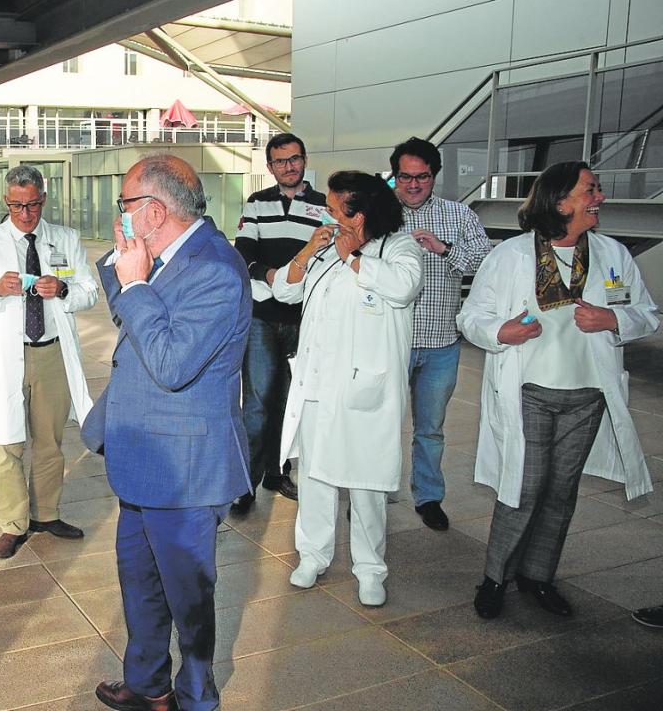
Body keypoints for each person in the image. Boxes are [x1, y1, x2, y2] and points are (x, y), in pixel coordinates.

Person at [83, 155, 252, 711]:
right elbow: (125, 311)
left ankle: (196, 697)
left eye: (126, 206)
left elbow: (172, 362)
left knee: (189, 599)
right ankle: (148, 683)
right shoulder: (158, 253)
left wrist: (135, 287)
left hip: (183, 471)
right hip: (141, 457)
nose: (121, 217)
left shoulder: (215, 270)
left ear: (153, 211)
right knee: (140, 588)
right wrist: (128, 271)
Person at [457, 161, 658, 620]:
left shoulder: (612, 254)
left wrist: (613, 320)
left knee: (561, 492)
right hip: (528, 392)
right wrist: (500, 331)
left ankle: (538, 576)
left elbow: (646, 312)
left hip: (587, 395)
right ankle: (495, 578)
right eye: (591, 190)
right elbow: (471, 317)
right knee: (523, 490)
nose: (600, 197)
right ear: (560, 200)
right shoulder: (510, 256)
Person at [274, 172, 423, 607]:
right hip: (318, 383)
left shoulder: (399, 247)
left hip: (364, 391)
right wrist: (309, 250)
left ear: (361, 214)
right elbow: (284, 290)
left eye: (336, 209)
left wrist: (355, 256)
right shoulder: (325, 249)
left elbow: (403, 287)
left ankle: (371, 568)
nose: (328, 214)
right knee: (314, 476)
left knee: (366, 484)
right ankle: (312, 555)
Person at [0, 164, 99, 559]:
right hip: (6, 354)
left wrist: (64, 288)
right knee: (7, 442)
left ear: (44, 199)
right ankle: (13, 524)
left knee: (50, 441)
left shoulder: (65, 239)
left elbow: (90, 293)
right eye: (17, 206)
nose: (25, 214)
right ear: (5, 201)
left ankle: (47, 513)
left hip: (51, 351)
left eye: (33, 205)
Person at [391, 137, 491, 531]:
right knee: (380, 424)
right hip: (390, 342)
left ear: (435, 176)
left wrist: (444, 248)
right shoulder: (379, 214)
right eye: (405, 177)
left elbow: (487, 259)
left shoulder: (458, 214)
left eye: (422, 177)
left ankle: (428, 496)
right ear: (394, 176)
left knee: (429, 429)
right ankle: (372, 494)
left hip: (440, 344)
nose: (413, 185)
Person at [231, 132, 325, 510]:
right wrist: (270, 275)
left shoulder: (324, 206)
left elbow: (326, 256)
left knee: (290, 401)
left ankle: (277, 470)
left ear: (304, 160)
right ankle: (245, 484)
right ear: (270, 167)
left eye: (295, 159)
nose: (290, 166)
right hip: (262, 317)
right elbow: (244, 255)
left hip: (305, 319)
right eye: (281, 161)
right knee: (256, 402)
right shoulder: (256, 204)